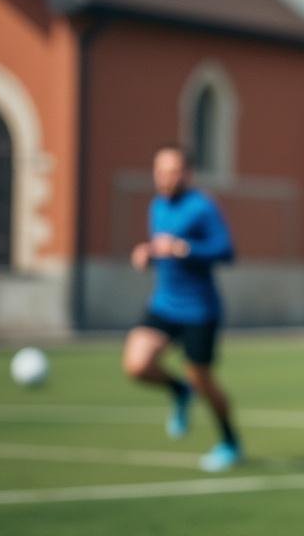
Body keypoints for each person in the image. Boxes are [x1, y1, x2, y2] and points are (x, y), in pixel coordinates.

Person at [123, 144, 241, 472]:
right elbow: (161, 249)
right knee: (136, 365)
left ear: (187, 174)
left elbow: (227, 251)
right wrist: (146, 253)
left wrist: (183, 248)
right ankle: (179, 391)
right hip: (164, 305)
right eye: (160, 171)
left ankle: (230, 442)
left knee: (203, 381)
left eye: (173, 171)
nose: (165, 178)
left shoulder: (202, 207)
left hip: (200, 310)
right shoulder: (156, 207)